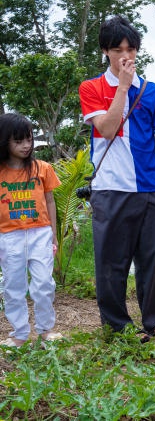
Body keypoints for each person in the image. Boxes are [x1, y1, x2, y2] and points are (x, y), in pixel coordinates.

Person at [79, 15, 155, 341]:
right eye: (118, 49)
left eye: (131, 49)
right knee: (112, 262)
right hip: (109, 188)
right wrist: (121, 86)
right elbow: (105, 128)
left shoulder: (153, 91)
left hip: (149, 186)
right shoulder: (91, 88)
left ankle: (153, 319)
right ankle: (118, 325)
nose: (125, 56)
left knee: (152, 258)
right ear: (105, 50)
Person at [0, 113, 62, 347]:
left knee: (44, 284)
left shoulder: (42, 168)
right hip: (8, 236)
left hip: (40, 234)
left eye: (29, 139)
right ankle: (19, 333)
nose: (26, 145)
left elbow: (51, 201)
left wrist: (54, 235)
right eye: (18, 141)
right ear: (5, 141)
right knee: (13, 286)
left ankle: (46, 329)